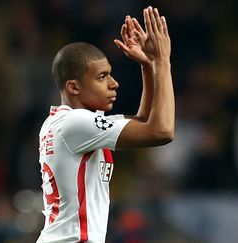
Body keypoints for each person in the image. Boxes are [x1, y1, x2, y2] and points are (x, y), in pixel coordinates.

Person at [36, 6, 174, 243]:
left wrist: (148, 67)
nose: (114, 83)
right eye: (102, 77)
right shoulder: (75, 123)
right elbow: (161, 131)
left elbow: (144, 121)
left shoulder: (68, 123)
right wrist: (163, 63)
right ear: (73, 87)